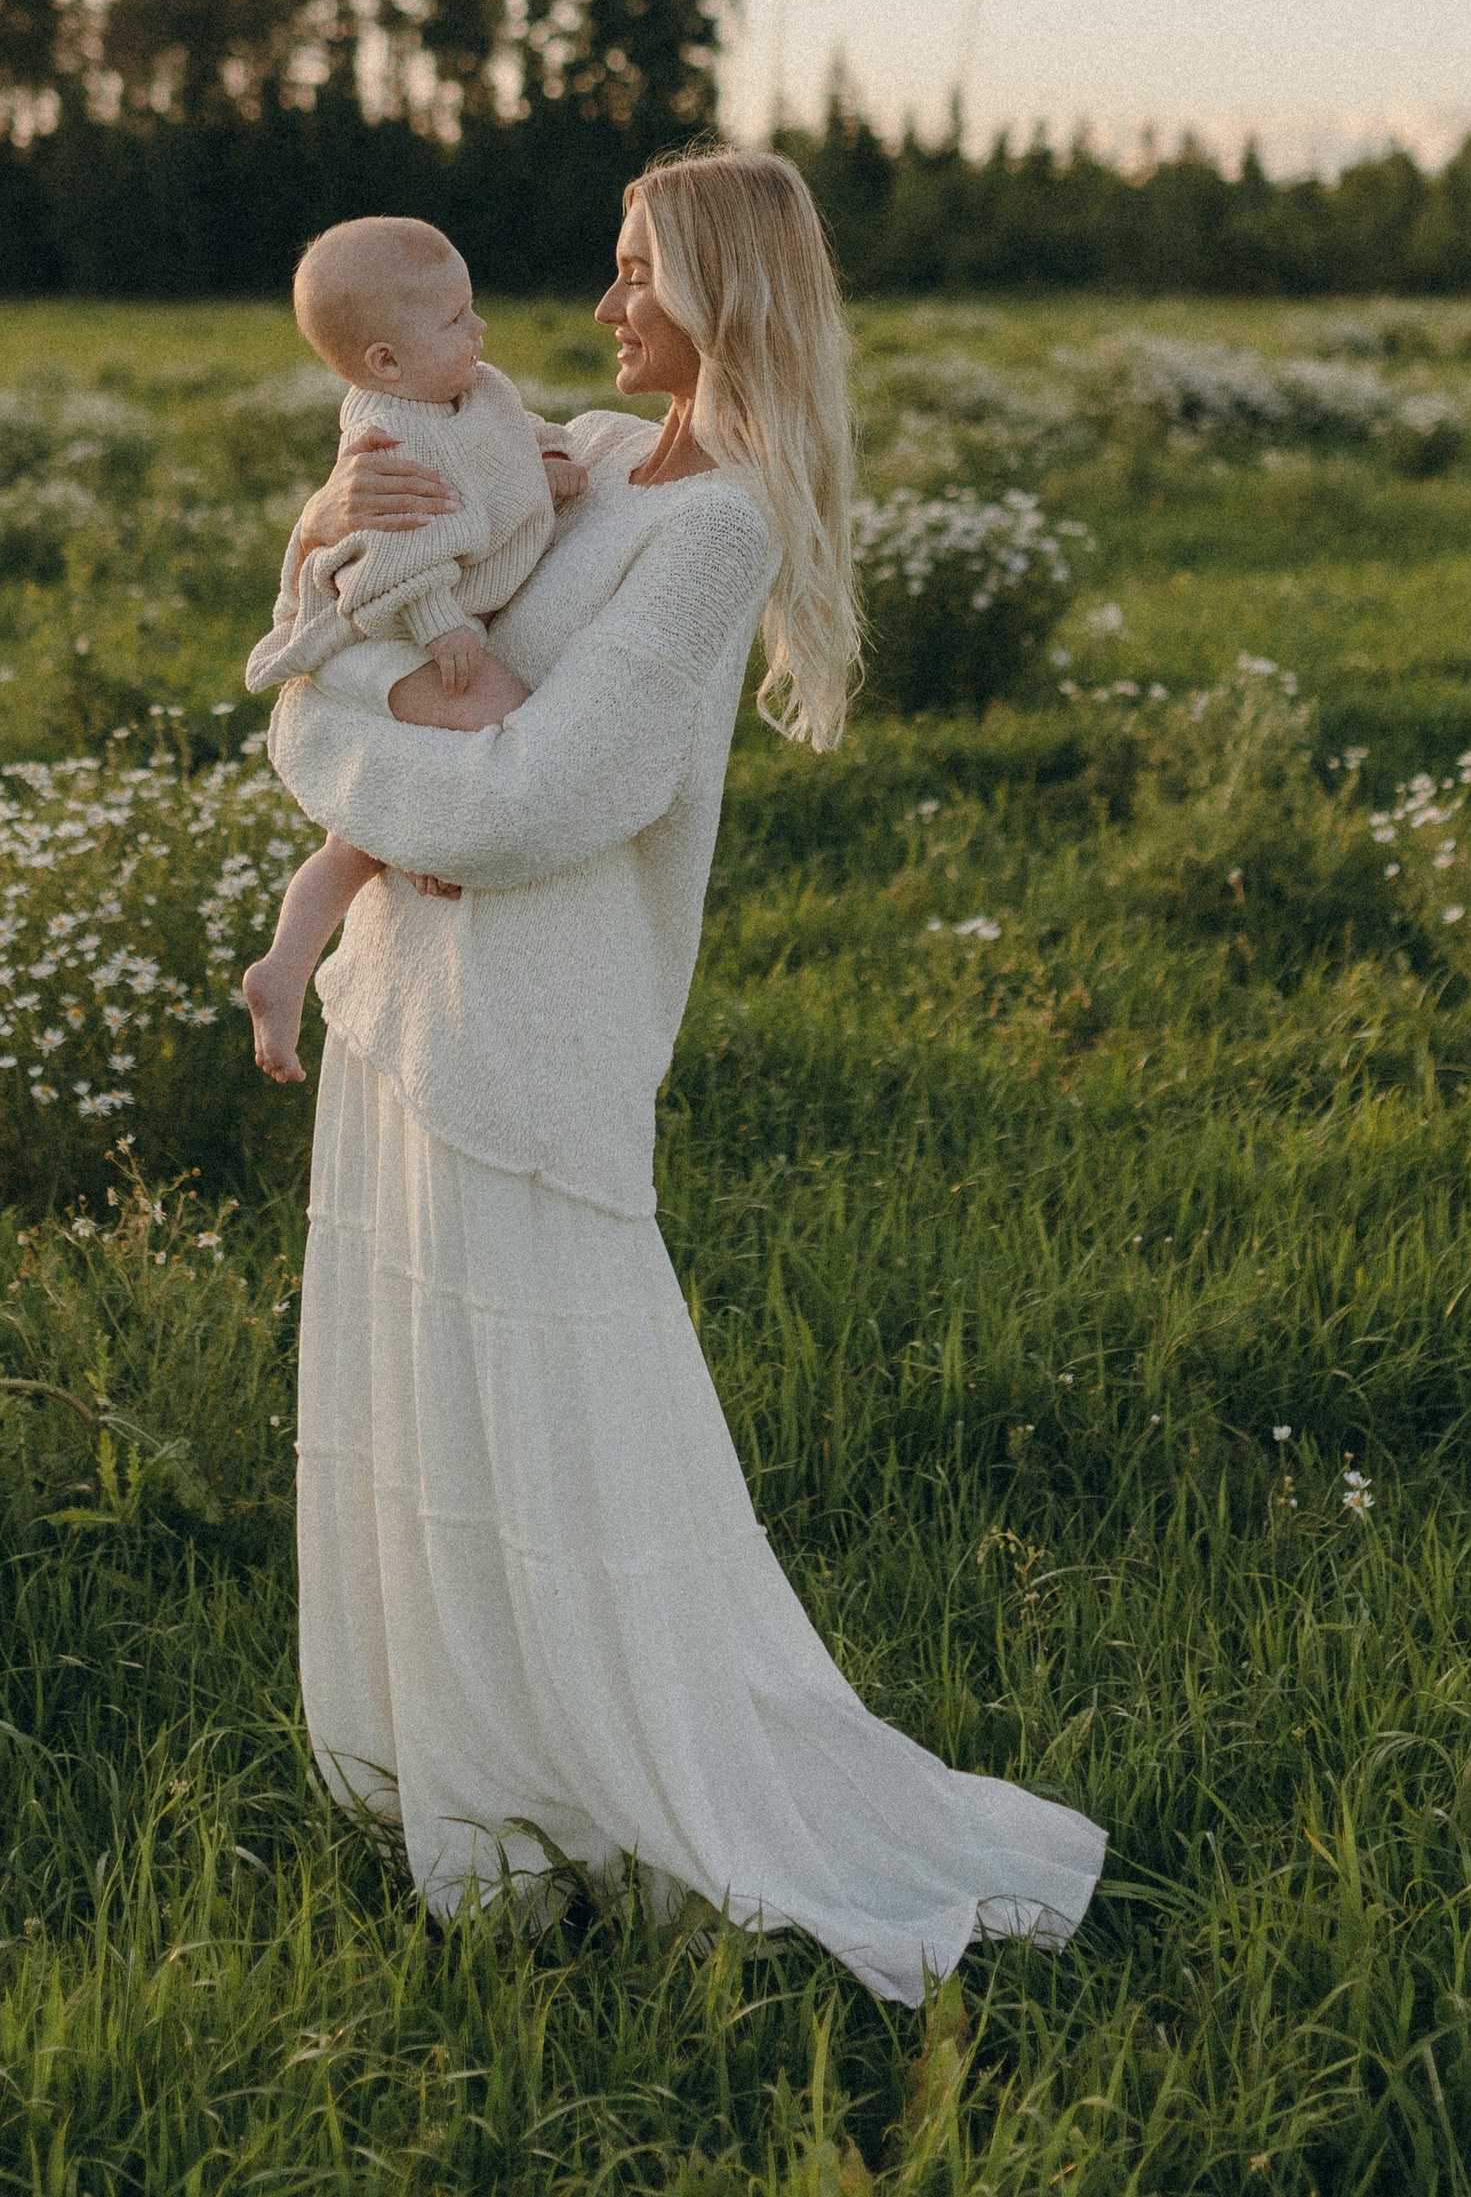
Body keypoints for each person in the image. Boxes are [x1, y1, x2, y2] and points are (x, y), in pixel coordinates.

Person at [262, 148, 1105, 2005]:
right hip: (406, 998)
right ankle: (478, 1793)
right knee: (434, 1412)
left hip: (538, 1034)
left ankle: (602, 1788)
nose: (601, 306)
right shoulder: (568, 451)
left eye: (638, 270)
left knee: (559, 1433)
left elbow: (559, 796)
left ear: (726, 293)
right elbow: (354, 604)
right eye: (610, 260)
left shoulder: (712, 525)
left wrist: (340, 748)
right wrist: (337, 548)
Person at [240, 214, 584, 1085]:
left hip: (414, 621)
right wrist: (443, 625)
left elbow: (503, 433)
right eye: (456, 320)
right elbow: (387, 556)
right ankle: (430, 839)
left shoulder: (465, 386)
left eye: (472, 310)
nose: (479, 331)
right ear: (386, 361)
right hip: (389, 629)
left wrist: (542, 456)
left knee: (348, 841)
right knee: (499, 708)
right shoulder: (389, 436)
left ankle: (281, 968)